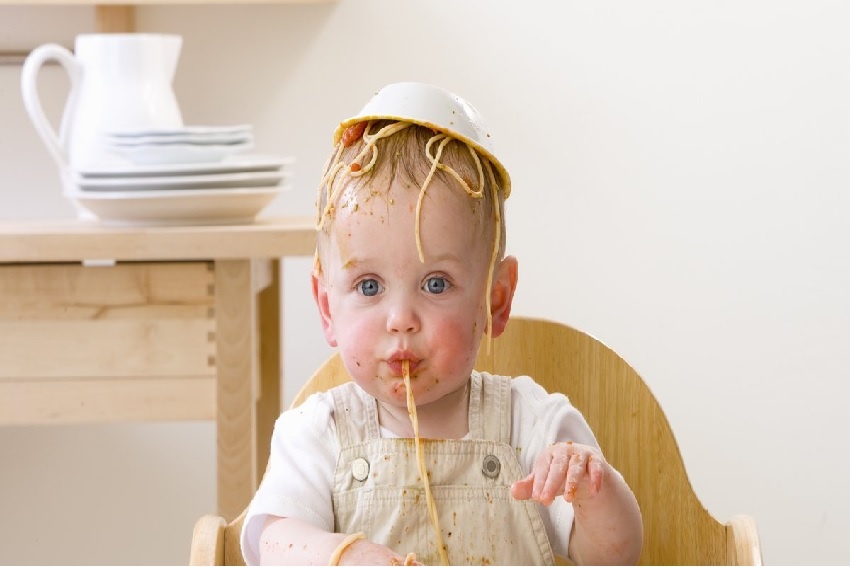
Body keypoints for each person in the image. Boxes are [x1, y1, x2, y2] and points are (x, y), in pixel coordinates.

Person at [240, 82, 643, 566]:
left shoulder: (532, 427)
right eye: (369, 286)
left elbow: (616, 556)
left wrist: (592, 490)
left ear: (494, 300)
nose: (401, 320)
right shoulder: (318, 435)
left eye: (436, 284)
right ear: (328, 307)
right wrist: (342, 556)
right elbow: (270, 541)